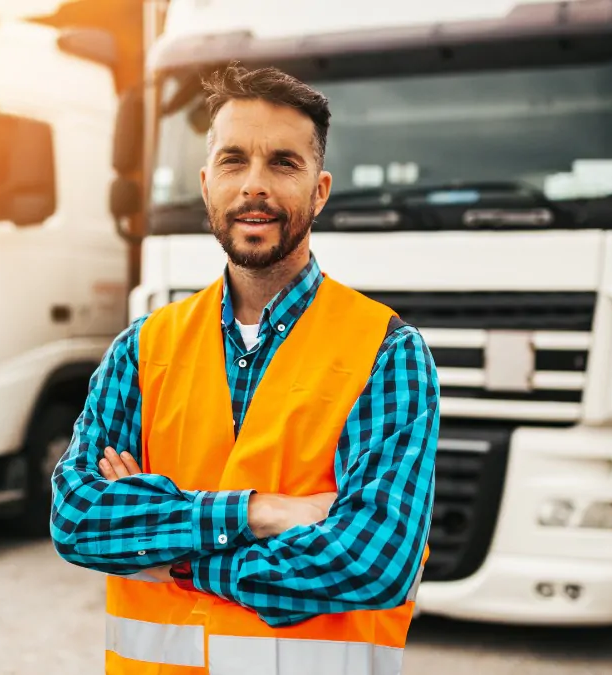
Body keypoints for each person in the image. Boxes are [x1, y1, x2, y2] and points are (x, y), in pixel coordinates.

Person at [50, 63, 439, 675]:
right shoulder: (142, 349)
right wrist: (258, 512)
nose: (254, 186)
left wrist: (176, 555)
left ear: (320, 190)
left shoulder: (386, 353)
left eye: (283, 163)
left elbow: (371, 560)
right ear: (207, 184)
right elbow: (78, 519)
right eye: (234, 161)